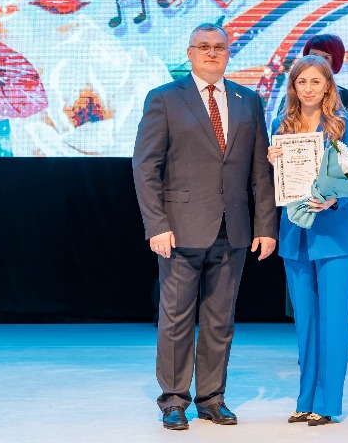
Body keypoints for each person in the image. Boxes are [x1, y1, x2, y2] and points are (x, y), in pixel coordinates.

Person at [132, 23, 278, 430]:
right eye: (204, 47)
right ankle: (173, 400)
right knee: (176, 319)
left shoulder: (248, 100)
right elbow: (146, 167)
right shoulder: (164, 98)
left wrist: (266, 225)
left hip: (234, 229)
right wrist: (156, 225)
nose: (212, 53)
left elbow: (260, 171)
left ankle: (212, 398)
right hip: (179, 229)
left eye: (220, 47)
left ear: (229, 53)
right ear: (190, 53)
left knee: (220, 320)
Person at [267, 55, 348, 426]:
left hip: (335, 236)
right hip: (296, 235)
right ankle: (305, 398)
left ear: (327, 87)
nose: (308, 89)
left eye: (315, 82)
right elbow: (278, 183)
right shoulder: (281, 125)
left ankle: (327, 401)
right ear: (293, 87)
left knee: (333, 322)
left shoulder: (342, 124)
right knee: (305, 324)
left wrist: (333, 198)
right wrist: (273, 162)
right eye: (301, 82)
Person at [277, 34, 348, 150]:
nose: (318, 62)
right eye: (314, 56)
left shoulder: (347, 97)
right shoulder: (291, 97)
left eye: (325, 58)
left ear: (335, 62)